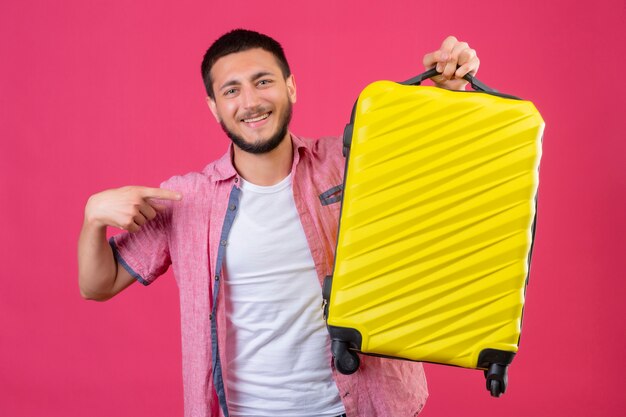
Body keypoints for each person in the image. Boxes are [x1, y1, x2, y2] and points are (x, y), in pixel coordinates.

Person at [78, 29, 480, 417]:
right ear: (214, 107)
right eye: (231, 90)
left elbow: (435, 165)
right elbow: (98, 284)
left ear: (291, 87)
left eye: (263, 81)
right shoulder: (186, 199)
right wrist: (93, 217)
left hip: (357, 407)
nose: (250, 101)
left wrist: (449, 93)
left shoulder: (348, 164)